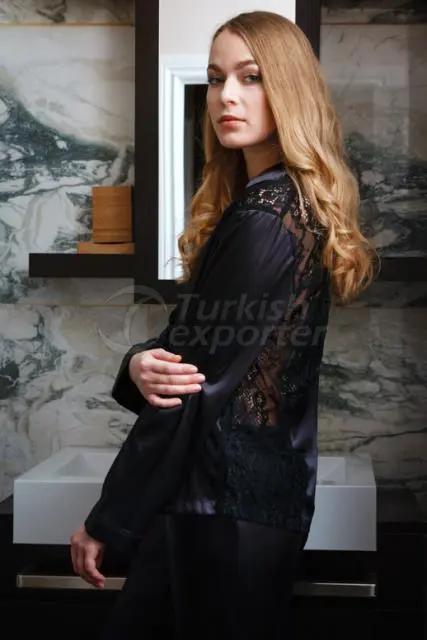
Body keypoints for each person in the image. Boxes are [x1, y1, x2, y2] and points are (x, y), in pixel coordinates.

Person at [70, 10, 375, 639]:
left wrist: (111, 516)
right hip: (242, 501)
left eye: (251, 76)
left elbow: (192, 385)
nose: (225, 96)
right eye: (215, 79)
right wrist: (138, 362)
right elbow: (196, 350)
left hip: (221, 506)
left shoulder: (266, 217)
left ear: (288, 88)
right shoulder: (283, 205)